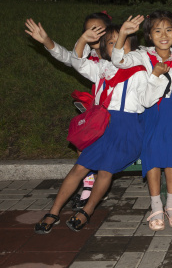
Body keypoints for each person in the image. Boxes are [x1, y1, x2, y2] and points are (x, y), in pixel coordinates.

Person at [34, 17, 158, 234]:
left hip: (127, 128)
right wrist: (82, 39)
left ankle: (88, 210)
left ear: (132, 44)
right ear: (105, 49)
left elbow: (147, 98)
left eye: (122, 39)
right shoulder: (101, 68)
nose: (117, 43)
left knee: (105, 170)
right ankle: (53, 211)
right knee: (79, 167)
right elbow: (77, 61)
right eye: (111, 42)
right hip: (103, 126)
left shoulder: (140, 68)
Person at [111, 10, 172, 230]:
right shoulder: (142, 56)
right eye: (157, 30)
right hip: (150, 112)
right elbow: (118, 60)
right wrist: (122, 34)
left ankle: (171, 205)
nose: (164, 35)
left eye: (169, 30)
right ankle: (155, 206)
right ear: (149, 35)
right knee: (152, 156)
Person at [24, 12, 112, 211]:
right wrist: (47, 41)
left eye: (99, 29)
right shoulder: (88, 55)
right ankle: (89, 182)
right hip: (99, 110)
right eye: (90, 29)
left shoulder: (118, 53)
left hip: (120, 111)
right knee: (82, 138)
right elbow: (70, 58)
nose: (94, 33)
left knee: (95, 137)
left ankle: (92, 183)